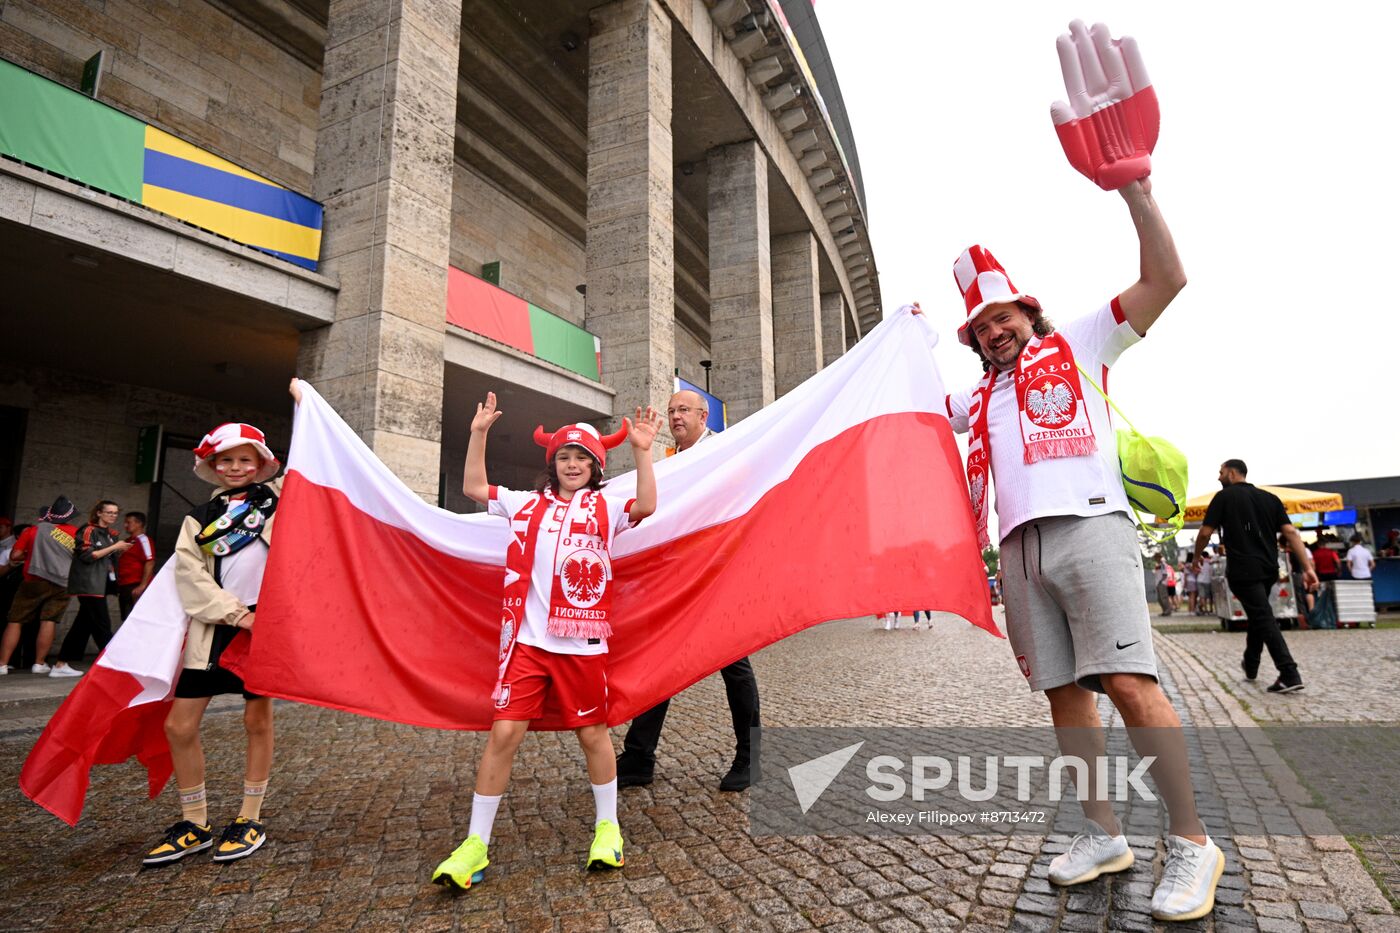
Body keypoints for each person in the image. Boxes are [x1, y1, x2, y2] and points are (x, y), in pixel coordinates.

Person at [927, 22, 1223, 921]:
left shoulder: (1081, 341)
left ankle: (1193, 844)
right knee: (1065, 699)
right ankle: (1103, 830)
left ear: (1028, 306)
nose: (993, 331)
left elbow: (1169, 276)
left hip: (1092, 527)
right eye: (978, 327)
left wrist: (1136, 189)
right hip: (1016, 549)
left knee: (1131, 684)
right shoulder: (970, 400)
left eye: (1002, 316)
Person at [432, 392, 660, 891]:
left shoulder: (607, 505)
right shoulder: (524, 502)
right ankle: (474, 845)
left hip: (582, 645)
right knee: (503, 736)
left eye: (582, 457)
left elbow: (647, 504)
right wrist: (478, 433)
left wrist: (642, 450)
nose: (573, 464)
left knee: (593, 736)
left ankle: (608, 829)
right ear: (551, 464)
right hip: (528, 644)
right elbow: (473, 486)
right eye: (564, 456)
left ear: (596, 466)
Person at [141, 406, 290, 867]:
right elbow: (191, 578)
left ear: (262, 464)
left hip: (264, 629)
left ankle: (249, 816)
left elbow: (316, 463)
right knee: (178, 725)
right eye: (225, 461)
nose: (235, 469)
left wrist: (305, 405)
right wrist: (235, 615)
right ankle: (195, 822)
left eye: (245, 460)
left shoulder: (281, 500)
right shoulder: (197, 518)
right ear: (211, 466)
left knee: (256, 721)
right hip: (215, 630)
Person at [615, 390, 761, 792]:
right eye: (672, 411)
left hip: (718, 575)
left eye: (684, 411)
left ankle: (751, 756)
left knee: (733, 665)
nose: (676, 417)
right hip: (677, 577)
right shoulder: (672, 462)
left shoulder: (724, 451)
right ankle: (639, 757)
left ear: (703, 415)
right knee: (659, 660)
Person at [1192, 460, 1317, 694]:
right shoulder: (1270, 498)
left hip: (1242, 569)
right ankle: (1251, 664)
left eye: (1220, 473)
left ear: (1231, 472)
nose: (1218, 477)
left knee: (1262, 615)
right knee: (1260, 613)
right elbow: (1290, 532)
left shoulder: (1223, 498)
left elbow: (1205, 532)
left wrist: (1197, 557)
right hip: (1269, 568)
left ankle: (1289, 672)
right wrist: (1308, 567)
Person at [0, 498, 79, 675]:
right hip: (61, 583)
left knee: (15, 620)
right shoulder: (75, 533)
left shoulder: (33, 531)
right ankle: (39, 663)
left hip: (33, 580)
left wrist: (30, 556)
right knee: (49, 620)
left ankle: (2, 665)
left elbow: (15, 556)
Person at [54, 500, 131, 676]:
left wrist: (117, 550)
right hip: (89, 584)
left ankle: (60, 663)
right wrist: (115, 547)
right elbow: (89, 555)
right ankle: (114, 664)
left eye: (115, 513)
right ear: (99, 513)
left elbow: (104, 556)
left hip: (100, 584)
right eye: (109, 512)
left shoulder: (110, 534)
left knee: (83, 624)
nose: (113, 515)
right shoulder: (88, 530)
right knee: (102, 624)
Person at [116, 511, 156, 620]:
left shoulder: (144, 540)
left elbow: (150, 562)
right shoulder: (127, 541)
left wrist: (142, 585)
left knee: (135, 620)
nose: (125, 525)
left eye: (128, 522)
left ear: (139, 523)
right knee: (126, 619)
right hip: (124, 585)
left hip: (136, 586)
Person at [1195, 550, 1214, 615]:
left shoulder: (1198, 562)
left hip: (1200, 580)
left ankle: (1204, 609)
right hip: (1207, 581)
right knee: (1207, 597)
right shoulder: (1210, 561)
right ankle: (1208, 609)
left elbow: (1195, 570)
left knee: (1202, 596)